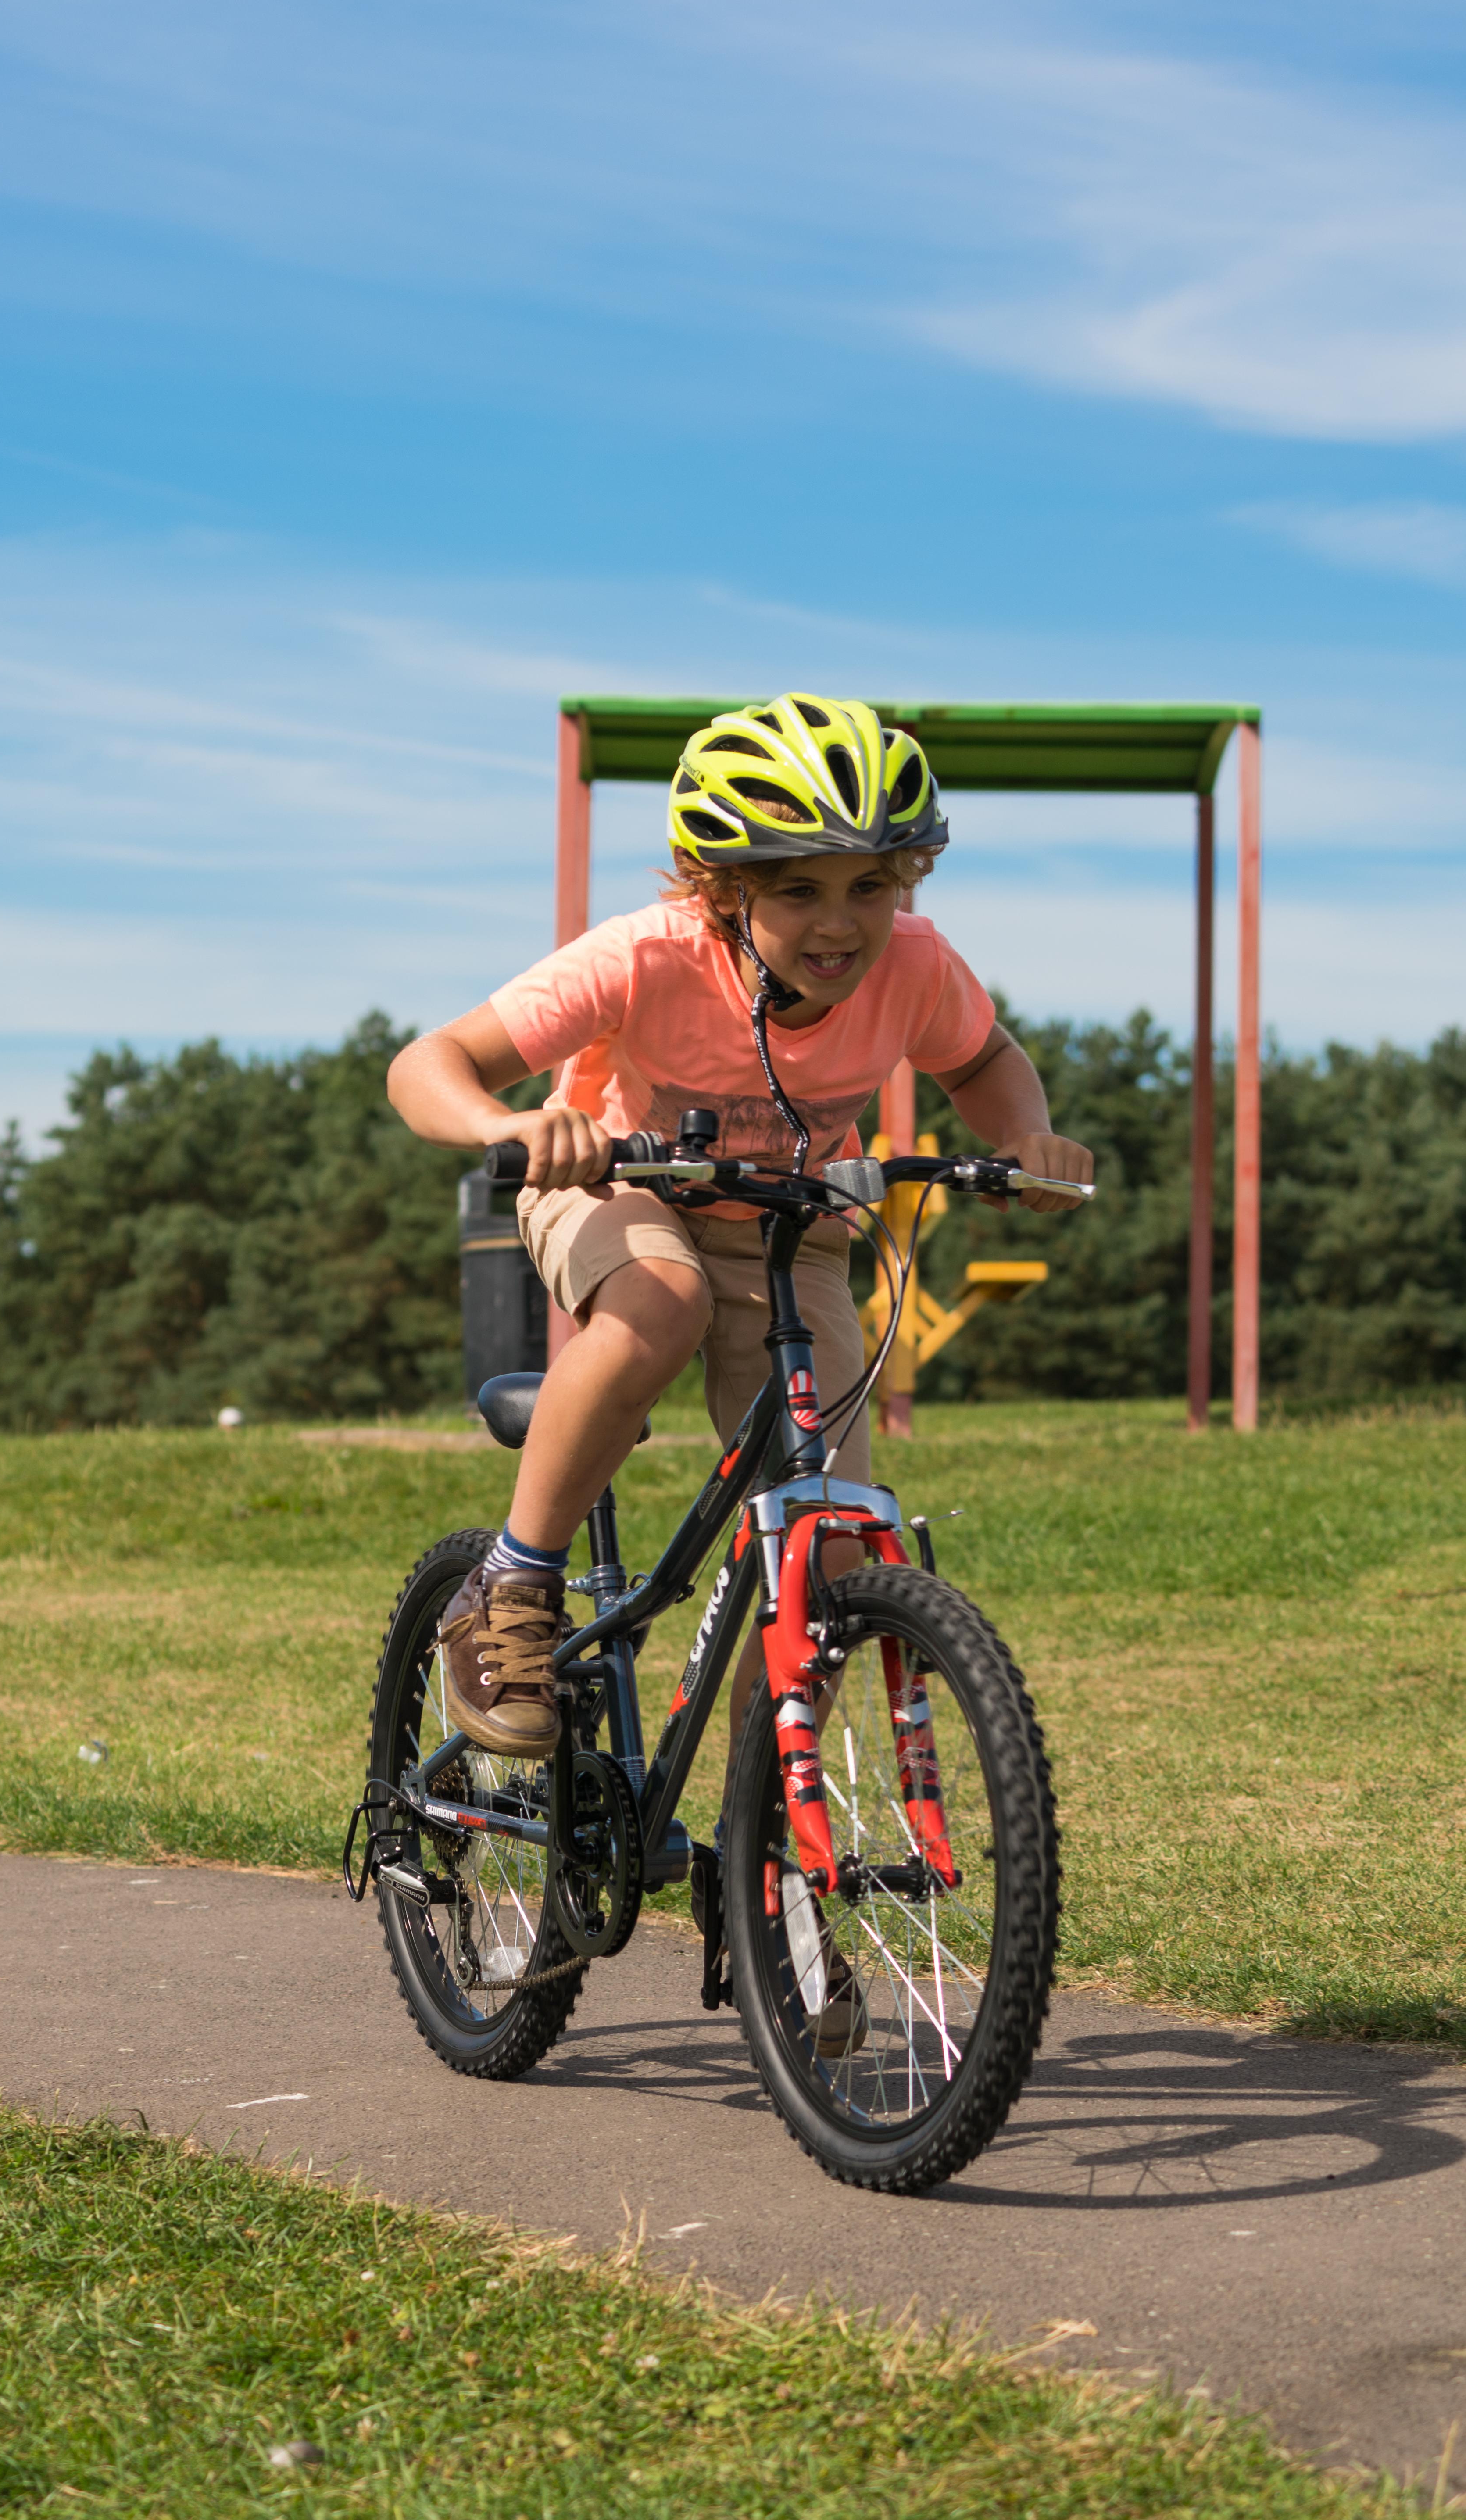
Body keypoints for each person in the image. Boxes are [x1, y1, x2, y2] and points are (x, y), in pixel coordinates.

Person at [387, 692, 1093, 1767]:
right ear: (723, 889)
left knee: (830, 1526)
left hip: (788, 1224)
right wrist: (514, 1124)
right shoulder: (645, 956)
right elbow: (428, 1065)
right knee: (658, 1304)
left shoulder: (913, 965)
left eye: (869, 886)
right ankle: (512, 1582)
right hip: (620, 1186)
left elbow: (982, 1061)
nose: (840, 922)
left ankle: (768, 1846)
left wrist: (1027, 1136)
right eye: (796, 888)